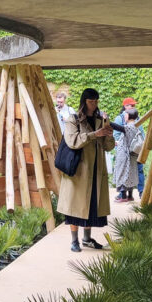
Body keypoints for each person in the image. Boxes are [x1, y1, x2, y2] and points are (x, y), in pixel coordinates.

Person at [58, 88, 115, 252]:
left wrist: (109, 135)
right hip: (79, 170)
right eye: (91, 101)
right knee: (75, 206)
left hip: (96, 170)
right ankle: (74, 241)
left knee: (91, 205)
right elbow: (72, 142)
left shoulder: (100, 119)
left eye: (96, 101)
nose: (94, 104)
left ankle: (87, 238)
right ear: (84, 102)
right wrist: (94, 134)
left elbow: (108, 147)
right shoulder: (73, 119)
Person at [113, 98, 145, 202]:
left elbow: (141, 135)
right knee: (129, 172)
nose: (132, 107)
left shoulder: (132, 124)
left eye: (133, 105)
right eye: (130, 105)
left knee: (128, 172)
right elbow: (116, 135)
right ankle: (128, 195)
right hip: (128, 152)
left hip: (131, 152)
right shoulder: (122, 119)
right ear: (125, 106)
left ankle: (131, 194)